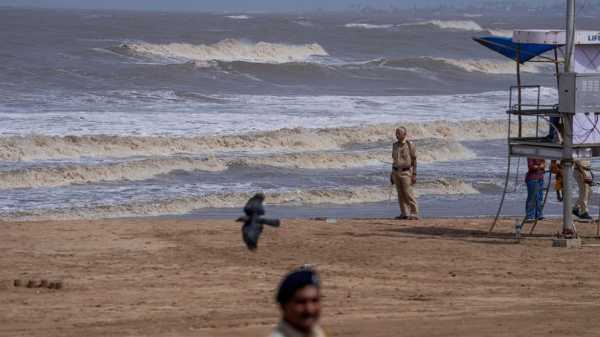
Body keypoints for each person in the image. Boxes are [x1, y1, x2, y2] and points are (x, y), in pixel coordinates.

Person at [267, 266, 326, 337]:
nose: (310, 309)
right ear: (284, 305)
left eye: (315, 300)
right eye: (301, 302)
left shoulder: (316, 332)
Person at [390, 127, 419, 220]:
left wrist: (414, 174)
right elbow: (394, 160)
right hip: (396, 171)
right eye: (396, 133)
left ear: (404, 134)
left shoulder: (410, 145)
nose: (397, 135)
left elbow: (414, 160)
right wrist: (391, 174)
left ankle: (414, 213)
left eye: (399, 133)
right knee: (400, 194)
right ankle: (404, 213)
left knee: (408, 193)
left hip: (406, 172)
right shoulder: (394, 145)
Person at [525, 157, 546, 222]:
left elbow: (544, 164)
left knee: (539, 197)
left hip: (540, 178)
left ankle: (539, 215)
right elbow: (531, 167)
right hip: (532, 178)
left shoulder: (540, 154)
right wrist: (540, 166)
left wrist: (539, 166)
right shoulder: (530, 154)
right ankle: (530, 216)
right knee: (532, 198)